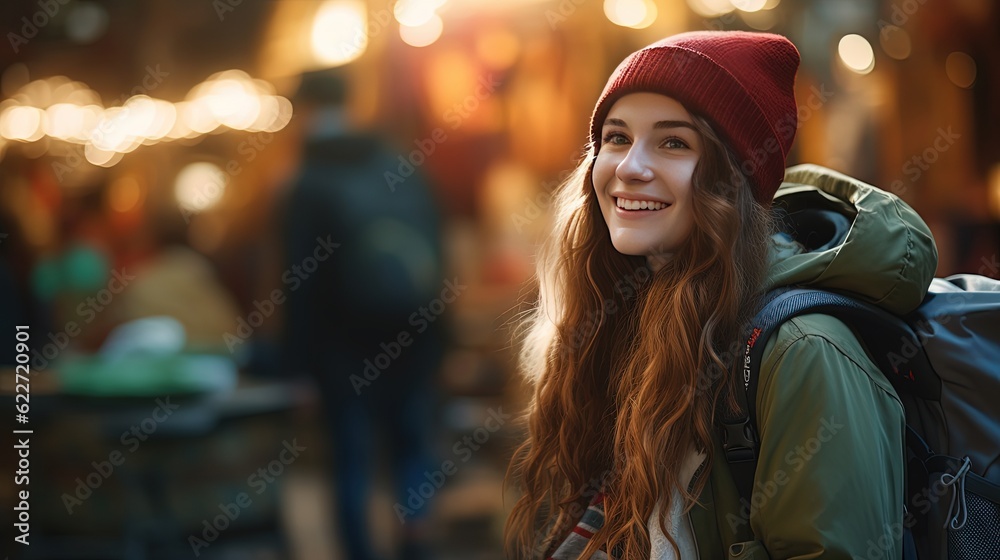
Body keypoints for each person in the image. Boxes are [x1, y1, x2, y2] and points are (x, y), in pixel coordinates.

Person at [505, 31, 937, 559]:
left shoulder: (805, 352)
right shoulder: (627, 316)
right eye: (616, 137)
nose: (629, 167)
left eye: (674, 143)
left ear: (734, 181)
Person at [282, 69, 445, 560]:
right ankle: (416, 549)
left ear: (304, 109)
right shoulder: (401, 166)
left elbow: (299, 280)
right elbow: (438, 252)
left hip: (342, 345)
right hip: (414, 332)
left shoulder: (307, 180)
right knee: (411, 449)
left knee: (351, 458)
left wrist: (298, 364)